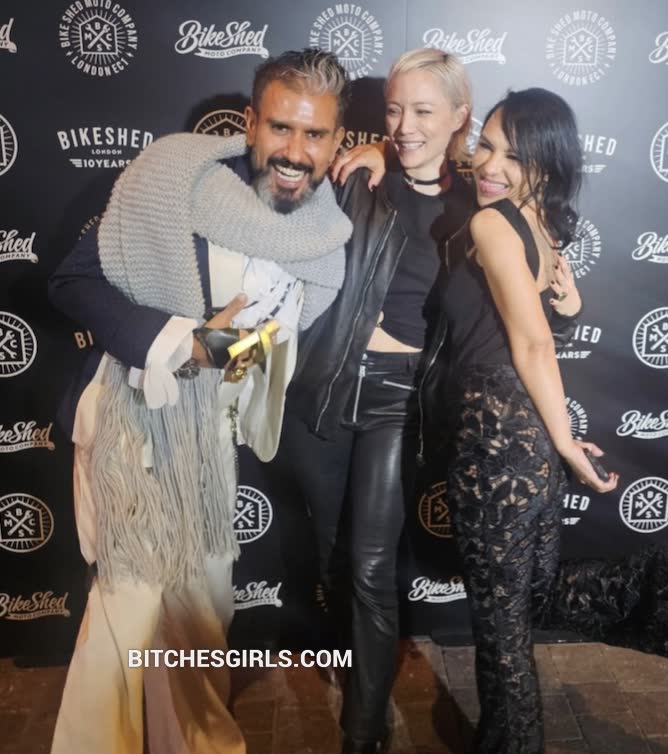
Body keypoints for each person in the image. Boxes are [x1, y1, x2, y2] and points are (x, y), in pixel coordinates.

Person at [440, 88, 668, 753]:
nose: (490, 164)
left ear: (547, 166)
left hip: (493, 450)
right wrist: (570, 313)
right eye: (487, 145)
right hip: (527, 447)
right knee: (534, 600)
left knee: (503, 635)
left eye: (514, 156)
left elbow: (532, 344)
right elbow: (537, 325)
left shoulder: (492, 224)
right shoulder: (540, 227)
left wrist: (567, 444)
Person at [47, 49, 353, 754]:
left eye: (315, 134)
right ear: (250, 123)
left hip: (211, 443)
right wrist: (180, 342)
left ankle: (199, 744)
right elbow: (71, 282)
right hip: (134, 419)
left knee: (199, 617)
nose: (295, 151)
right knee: (129, 608)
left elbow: (266, 342)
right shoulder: (173, 182)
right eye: (280, 127)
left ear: (338, 141)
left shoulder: (322, 232)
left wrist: (221, 354)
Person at [268, 48, 489, 754]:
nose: (404, 126)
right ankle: (361, 675)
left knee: (369, 564)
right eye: (394, 111)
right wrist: (374, 154)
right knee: (335, 559)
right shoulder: (359, 180)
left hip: (398, 401)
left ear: (459, 117)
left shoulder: (476, 208)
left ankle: (361, 731)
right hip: (325, 388)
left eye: (423, 111)